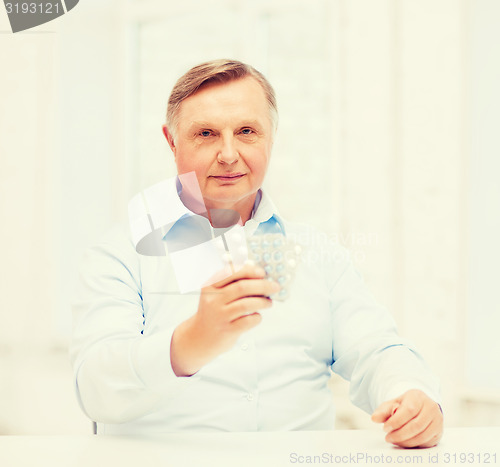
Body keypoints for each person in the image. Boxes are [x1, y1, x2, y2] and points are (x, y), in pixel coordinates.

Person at [70, 59, 443, 447]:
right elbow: (95, 388)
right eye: (206, 133)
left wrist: (411, 393)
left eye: (247, 131)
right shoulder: (121, 253)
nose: (229, 154)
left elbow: (376, 348)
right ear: (171, 141)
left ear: (272, 136)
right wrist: (191, 342)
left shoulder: (318, 254)